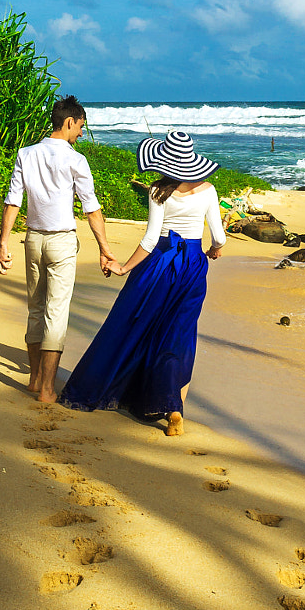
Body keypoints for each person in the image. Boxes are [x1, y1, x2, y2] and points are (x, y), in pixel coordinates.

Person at [59, 129, 225, 436]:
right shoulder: (209, 190)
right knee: (182, 332)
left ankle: (119, 389)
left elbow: (151, 240)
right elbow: (219, 236)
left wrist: (123, 268)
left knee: (137, 324)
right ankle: (175, 409)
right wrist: (213, 250)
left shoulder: (157, 191)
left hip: (160, 263)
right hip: (192, 265)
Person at [0, 95, 117, 405]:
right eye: (80, 126)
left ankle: (34, 379)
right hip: (61, 242)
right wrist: (105, 249)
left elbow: (13, 200)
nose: (81, 133)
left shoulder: (26, 154)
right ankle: (48, 389)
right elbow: (91, 209)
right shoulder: (75, 160)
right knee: (55, 313)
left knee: (36, 310)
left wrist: (3, 243)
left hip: (33, 240)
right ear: (68, 122)